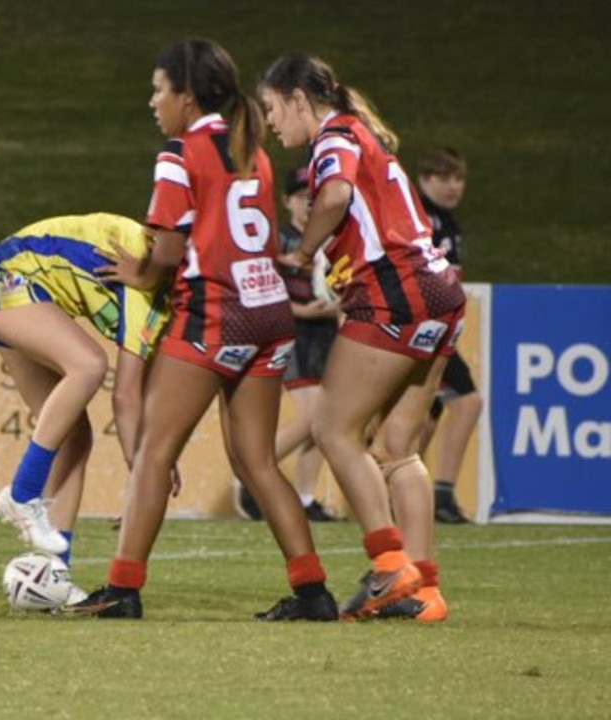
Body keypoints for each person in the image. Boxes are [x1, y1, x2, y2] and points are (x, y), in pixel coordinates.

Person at [72, 38, 337, 621]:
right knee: (257, 462)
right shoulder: (252, 147)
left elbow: (168, 250)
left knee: (153, 453)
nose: (152, 101)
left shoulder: (179, 152)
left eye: (159, 89)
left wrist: (138, 276)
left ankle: (123, 588)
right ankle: (312, 591)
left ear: (187, 97)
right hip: (269, 314)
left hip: (214, 313)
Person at [258, 52, 467, 621]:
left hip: (394, 292)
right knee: (399, 446)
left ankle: (388, 564)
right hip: (440, 292)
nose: (271, 124)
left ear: (300, 99)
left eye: (273, 109)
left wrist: (301, 255)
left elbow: (335, 195)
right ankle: (423, 589)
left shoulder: (335, 135)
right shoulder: (360, 131)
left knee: (332, 427)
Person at [0, 213, 172, 591]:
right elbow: (124, 397)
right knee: (89, 364)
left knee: (74, 438)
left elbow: (137, 392)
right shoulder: (144, 271)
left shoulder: (161, 290)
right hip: (2, 277)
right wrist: (145, 477)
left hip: (26, 289)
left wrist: (149, 465)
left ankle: (51, 577)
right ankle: (23, 493)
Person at [234, 166, 339, 523]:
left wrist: (337, 305)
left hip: (325, 332)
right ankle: (250, 474)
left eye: (316, 199)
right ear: (287, 201)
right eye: (303, 198)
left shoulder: (329, 239)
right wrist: (303, 311)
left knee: (323, 420)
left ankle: (306, 497)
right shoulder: (278, 241)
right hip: (291, 332)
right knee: (311, 417)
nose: (310, 205)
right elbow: (263, 289)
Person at [416, 147, 479, 525]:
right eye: (444, 177)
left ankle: (401, 492)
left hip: (436, 328)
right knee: (468, 402)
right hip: (427, 327)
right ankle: (440, 493)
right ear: (425, 179)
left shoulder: (445, 220)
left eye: (458, 178)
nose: (453, 185)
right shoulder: (425, 218)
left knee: (426, 415)